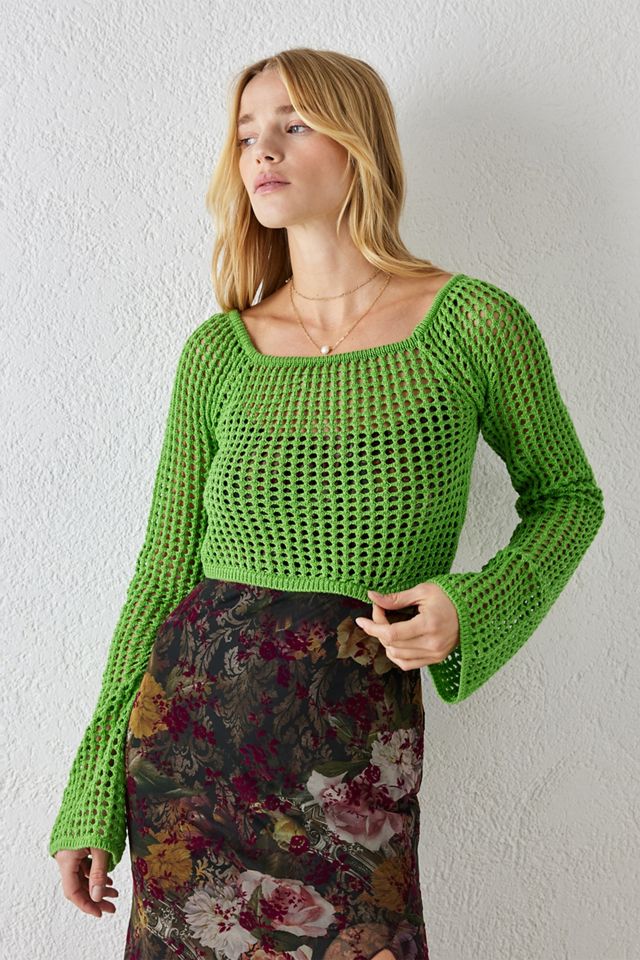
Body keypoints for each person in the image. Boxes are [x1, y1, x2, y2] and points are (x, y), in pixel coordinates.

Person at [48, 48, 605, 960]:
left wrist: (470, 606)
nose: (261, 151)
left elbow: (568, 498)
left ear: (360, 146)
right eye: (245, 135)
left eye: (293, 125)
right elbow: (161, 571)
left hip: (351, 744)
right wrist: (93, 790)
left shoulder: (471, 324)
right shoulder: (219, 353)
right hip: (188, 745)